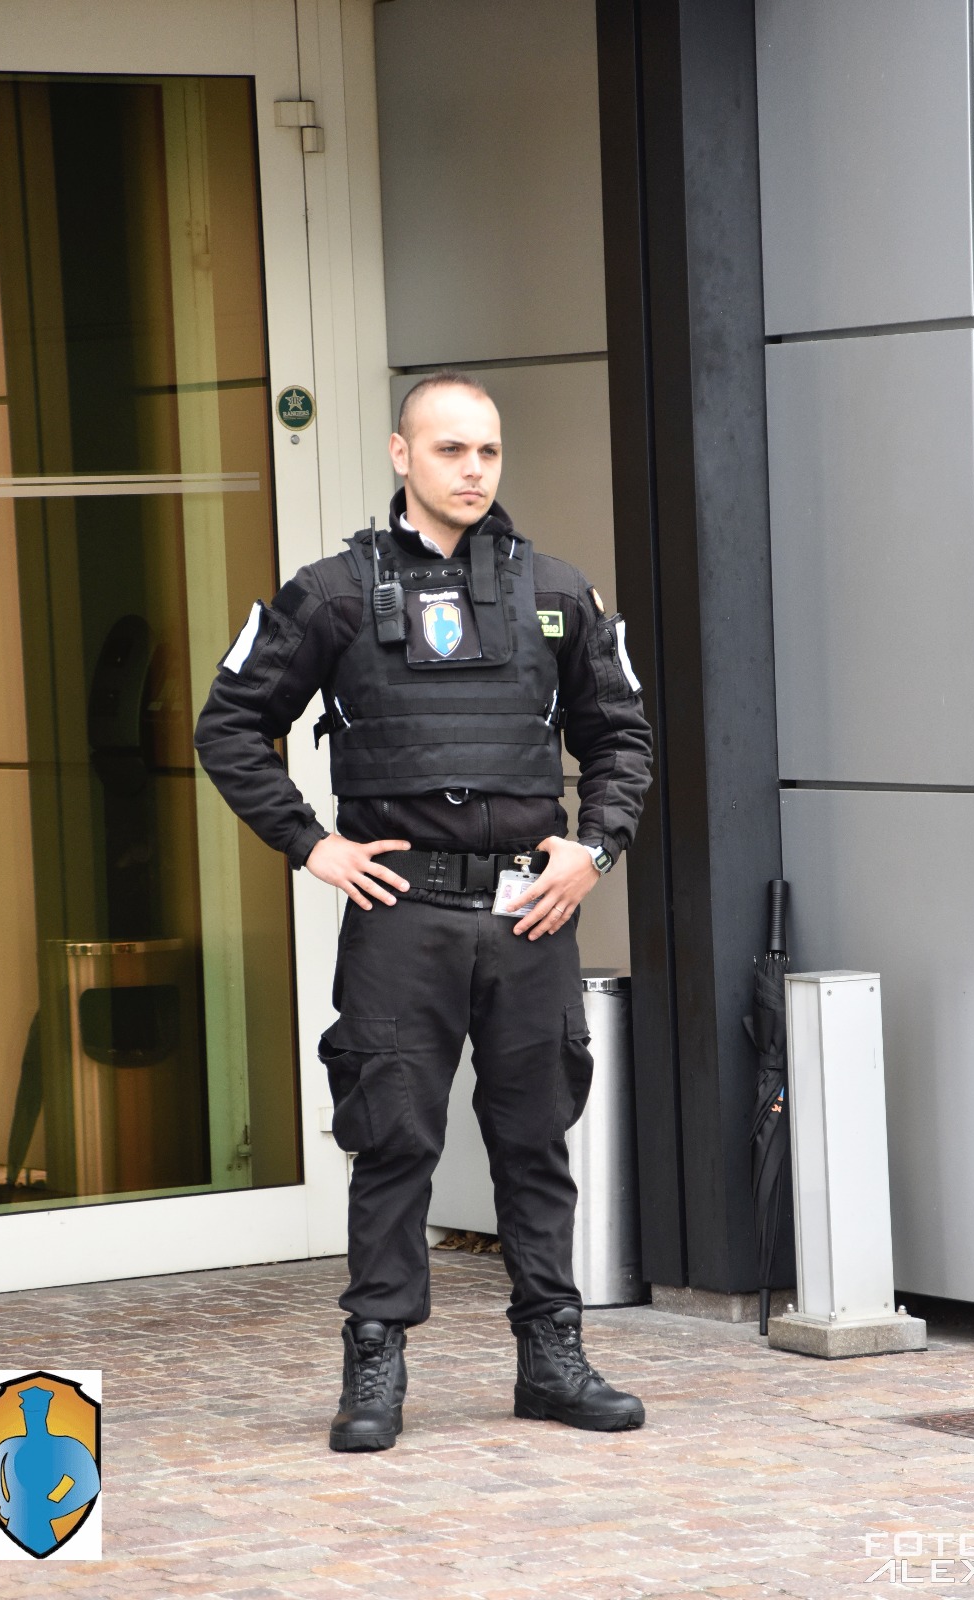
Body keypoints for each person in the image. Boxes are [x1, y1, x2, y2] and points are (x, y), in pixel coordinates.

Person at [195, 372, 654, 1451]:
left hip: (531, 909)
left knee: (535, 1141)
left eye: (487, 450)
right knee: (394, 1139)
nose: (473, 469)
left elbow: (621, 738)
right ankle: (375, 1365)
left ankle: (551, 1359)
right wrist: (312, 844)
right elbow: (230, 725)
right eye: (450, 449)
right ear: (401, 455)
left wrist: (593, 850)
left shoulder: (557, 590)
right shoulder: (333, 594)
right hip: (404, 913)